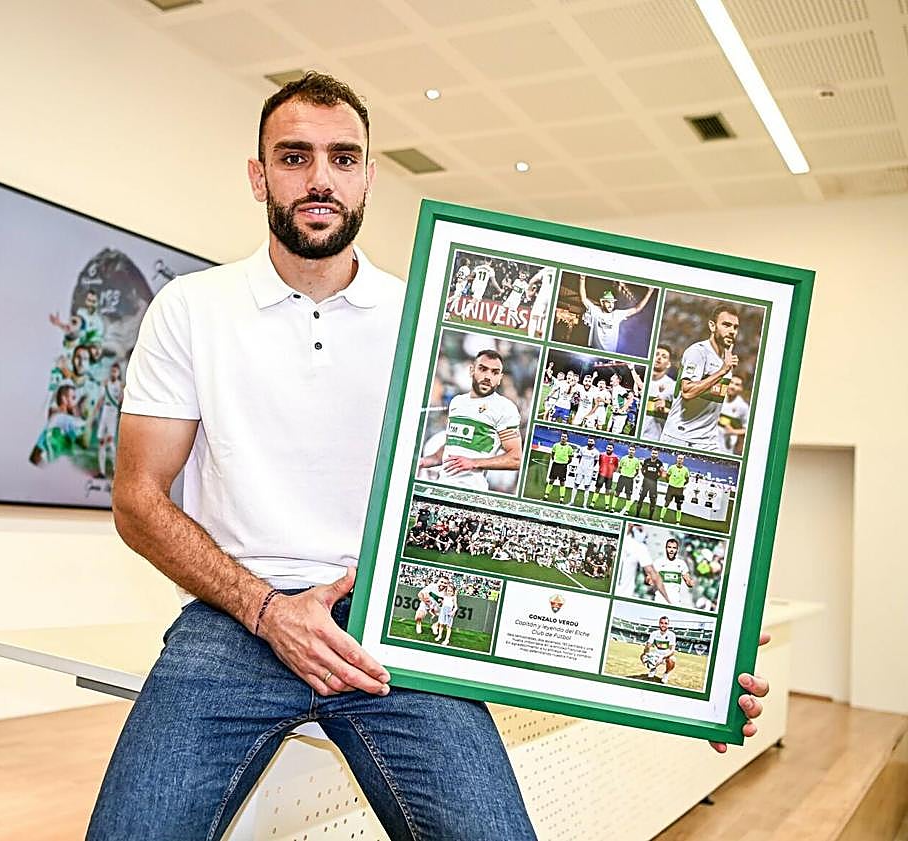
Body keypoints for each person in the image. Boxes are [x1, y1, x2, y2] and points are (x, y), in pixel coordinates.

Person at [86, 72, 767, 841]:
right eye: (294, 156)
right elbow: (138, 498)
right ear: (258, 175)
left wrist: (696, 668)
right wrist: (267, 611)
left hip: (397, 624)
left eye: (344, 158)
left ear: (370, 177)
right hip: (235, 621)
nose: (320, 178)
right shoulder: (192, 310)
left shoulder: (425, 316)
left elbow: (546, 512)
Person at [417, 349, 523, 491]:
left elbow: (515, 459)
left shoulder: (505, 408)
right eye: (483, 369)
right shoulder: (457, 402)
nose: (488, 376)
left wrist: (474, 463)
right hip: (442, 486)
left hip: (471, 491)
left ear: (500, 378)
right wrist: (428, 460)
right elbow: (452, 445)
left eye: (494, 372)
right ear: (471, 370)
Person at [661, 304, 742, 451]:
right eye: (726, 325)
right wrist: (722, 371)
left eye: (735, 327)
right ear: (712, 326)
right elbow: (687, 392)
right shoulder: (698, 352)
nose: (732, 331)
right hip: (680, 438)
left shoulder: (727, 358)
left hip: (709, 441)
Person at [578, 275, 654, 354]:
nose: (611, 305)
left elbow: (637, 309)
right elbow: (583, 298)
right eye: (608, 302)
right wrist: (582, 279)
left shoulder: (617, 314)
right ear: (602, 302)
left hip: (610, 353)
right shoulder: (595, 311)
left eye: (612, 302)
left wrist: (649, 292)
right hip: (594, 351)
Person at [643, 344, 676, 441]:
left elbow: (677, 415)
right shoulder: (641, 380)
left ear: (668, 364)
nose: (659, 358)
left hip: (653, 437)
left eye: (664, 356)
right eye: (656, 354)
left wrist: (666, 407)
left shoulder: (672, 386)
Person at [642, 616, 679, 685]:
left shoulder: (671, 635)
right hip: (656, 655)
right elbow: (648, 645)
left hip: (666, 656)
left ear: (668, 625)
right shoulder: (654, 633)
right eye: (661, 623)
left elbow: (672, 650)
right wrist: (645, 653)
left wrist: (662, 657)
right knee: (642, 656)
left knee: (672, 660)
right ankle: (653, 669)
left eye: (665, 623)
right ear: (659, 623)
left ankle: (666, 674)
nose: (663, 625)